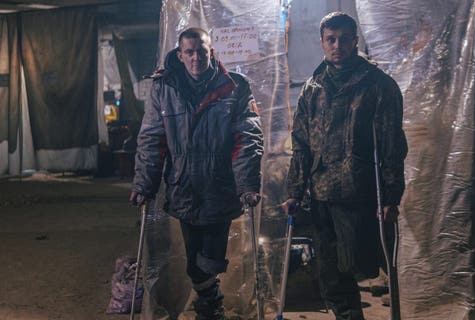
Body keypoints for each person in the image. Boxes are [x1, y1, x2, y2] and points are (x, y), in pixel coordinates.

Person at [130, 27, 264, 320]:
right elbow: (153, 138)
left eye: (201, 51)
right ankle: (211, 307)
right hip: (184, 187)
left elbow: (247, 138)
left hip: (220, 187)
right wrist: (144, 183)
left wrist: (247, 184)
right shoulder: (165, 89)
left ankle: (210, 306)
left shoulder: (235, 86)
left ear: (211, 52)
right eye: (189, 52)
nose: (195, 58)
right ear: (180, 55)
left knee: (209, 260)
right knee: (195, 261)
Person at [282, 12, 407, 320]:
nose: (337, 46)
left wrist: (391, 197)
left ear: (355, 40)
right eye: (330, 40)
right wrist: (295, 190)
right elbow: (301, 143)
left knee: (357, 265)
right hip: (321, 193)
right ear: (322, 42)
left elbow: (392, 146)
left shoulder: (379, 86)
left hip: (359, 192)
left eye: (343, 39)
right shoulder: (313, 87)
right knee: (330, 275)